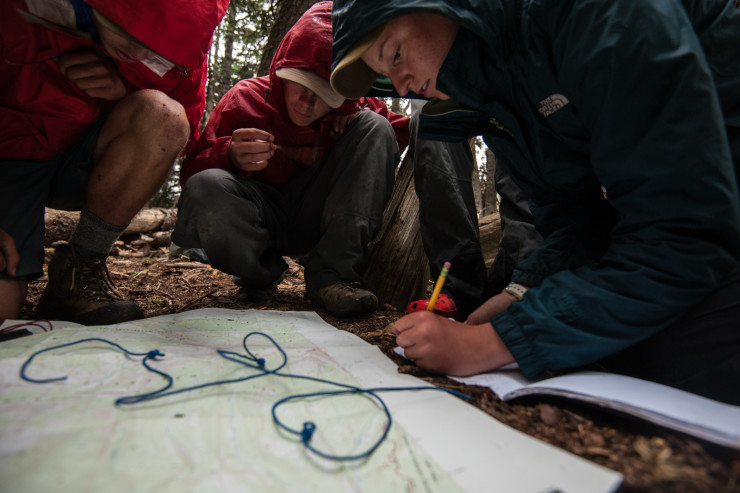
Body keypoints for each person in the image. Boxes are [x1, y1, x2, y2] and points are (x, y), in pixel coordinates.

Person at [330, 0, 740, 404]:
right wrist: (519, 293)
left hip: (712, 223)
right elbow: (576, 222)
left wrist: (493, 343)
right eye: (388, 75)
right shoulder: (502, 96)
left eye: (396, 54)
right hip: (694, 235)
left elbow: (684, 229)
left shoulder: (593, 14)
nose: (400, 86)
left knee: (659, 351)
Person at [172, 2, 409, 318]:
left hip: (317, 215)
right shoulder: (244, 99)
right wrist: (226, 154)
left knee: (375, 127)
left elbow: (402, 133)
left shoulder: (352, 107)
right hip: (260, 218)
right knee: (206, 184)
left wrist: (355, 115)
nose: (309, 102)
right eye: (302, 83)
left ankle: (333, 276)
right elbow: (192, 179)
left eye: (325, 94)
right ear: (281, 71)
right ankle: (258, 276)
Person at [0, 1, 229, 325]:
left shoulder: (183, 45)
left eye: (154, 51)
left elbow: (181, 135)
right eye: (128, 35)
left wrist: (126, 90)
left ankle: (81, 268)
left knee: (165, 115)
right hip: (11, 153)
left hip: (88, 161)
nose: (137, 54)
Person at [406, 102, 543, 320]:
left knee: (518, 115)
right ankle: (459, 288)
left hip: (510, 92)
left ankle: (518, 280)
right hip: (455, 88)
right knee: (428, 118)